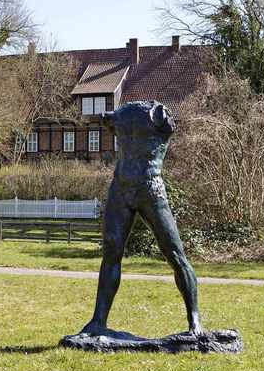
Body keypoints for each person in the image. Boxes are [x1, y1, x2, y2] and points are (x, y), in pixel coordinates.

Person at [81, 100, 203, 336]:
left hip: (151, 189)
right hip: (121, 189)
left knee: (176, 255)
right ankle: (98, 321)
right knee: (111, 252)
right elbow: (105, 119)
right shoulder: (121, 114)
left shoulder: (159, 114)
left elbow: (166, 127)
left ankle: (195, 320)